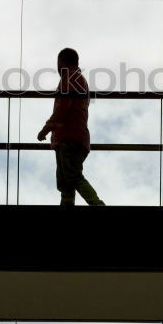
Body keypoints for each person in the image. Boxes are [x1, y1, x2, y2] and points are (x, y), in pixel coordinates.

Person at [37, 47, 105, 206]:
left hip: (69, 137)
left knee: (72, 177)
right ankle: (69, 204)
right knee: (66, 179)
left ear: (61, 62)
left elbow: (62, 108)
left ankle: (97, 204)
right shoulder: (80, 79)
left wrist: (46, 129)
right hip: (75, 136)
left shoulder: (70, 78)